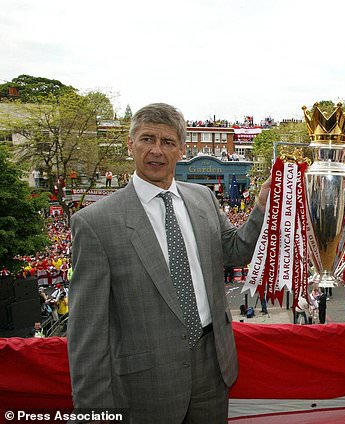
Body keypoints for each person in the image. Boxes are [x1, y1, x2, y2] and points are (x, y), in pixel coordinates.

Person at [67, 103, 271, 423]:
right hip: (146, 384)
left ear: (182, 150)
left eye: (168, 142)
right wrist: (94, 414)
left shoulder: (203, 198)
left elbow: (235, 251)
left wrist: (261, 206)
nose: (156, 151)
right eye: (148, 139)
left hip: (212, 368)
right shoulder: (95, 223)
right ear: (130, 144)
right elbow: (87, 336)